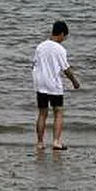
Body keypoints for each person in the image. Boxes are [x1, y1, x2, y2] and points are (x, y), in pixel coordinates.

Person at [32, 20, 80, 151]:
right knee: (58, 112)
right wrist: (74, 81)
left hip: (40, 83)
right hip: (54, 85)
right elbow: (66, 69)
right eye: (65, 37)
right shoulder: (60, 49)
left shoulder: (40, 46)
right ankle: (56, 142)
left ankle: (40, 143)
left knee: (42, 113)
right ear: (62, 34)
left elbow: (34, 65)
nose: (64, 39)